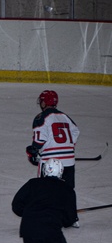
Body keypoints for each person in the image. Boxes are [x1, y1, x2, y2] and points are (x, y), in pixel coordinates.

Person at [26, 89, 80, 226]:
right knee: (68, 189)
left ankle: (45, 215)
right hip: (69, 159)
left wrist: (33, 151)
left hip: (50, 160)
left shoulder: (41, 117)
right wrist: (67, 147)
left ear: (44, 102)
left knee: (44, 188)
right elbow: (75, 131)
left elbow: (39, 140)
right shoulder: (64, 116)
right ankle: (72, 218)